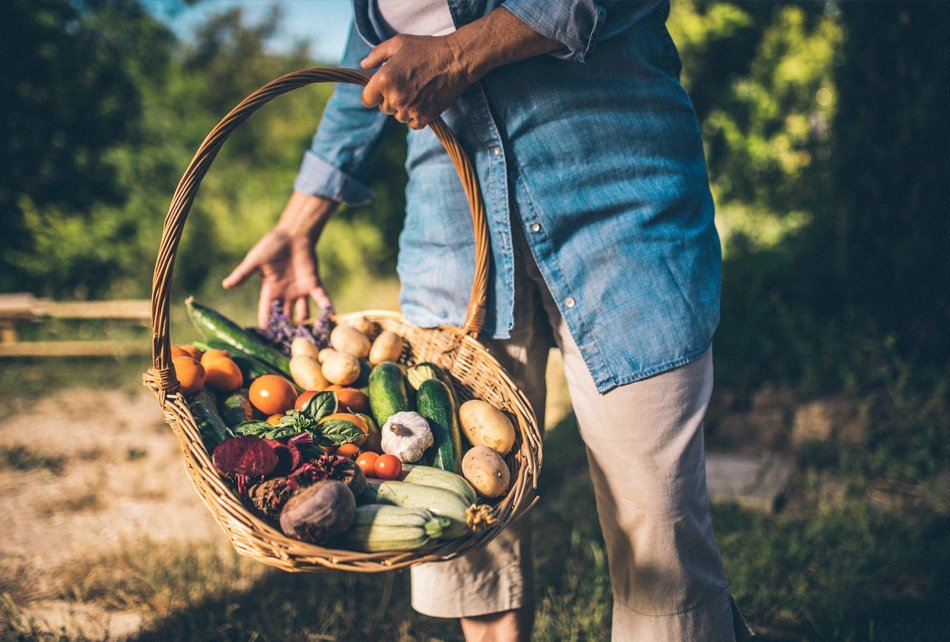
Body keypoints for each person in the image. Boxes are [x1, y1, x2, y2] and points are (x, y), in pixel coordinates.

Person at [224, 1, 753, 640]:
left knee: (658, 522)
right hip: (453, 237)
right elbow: (363, 61)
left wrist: (456, 54)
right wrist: (298, 222)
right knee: (467, 522)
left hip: (615, 196)